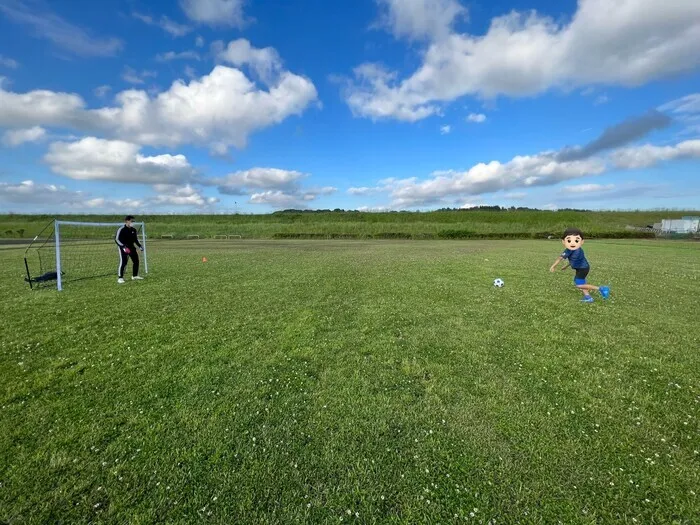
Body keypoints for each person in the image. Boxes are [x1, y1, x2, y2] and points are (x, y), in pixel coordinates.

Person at [550, 227, 609, 303]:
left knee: (579, 285)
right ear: (563, 241)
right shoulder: (578, 249)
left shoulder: (569, 250)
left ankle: (601, 289)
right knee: (580, 282)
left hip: (582, 269)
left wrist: (553, 266)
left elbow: (560, 258)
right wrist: (566, 266)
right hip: (583, 268)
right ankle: (588, 297)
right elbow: (574, 260)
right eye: (569, 240)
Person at [115, 215, 144, 284]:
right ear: (127, 221)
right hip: (123, 248)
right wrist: (123, 247)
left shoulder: (133, 230)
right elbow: (117, 239)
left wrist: (140, 246)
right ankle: (120, 278)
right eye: (131, 221)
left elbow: (135, 240)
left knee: (136, 261)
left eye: (133, 221)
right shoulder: (121, 229)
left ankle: (135, 275)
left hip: (132, 247)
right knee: (124, 262)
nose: (133, 222)